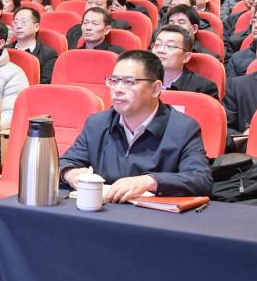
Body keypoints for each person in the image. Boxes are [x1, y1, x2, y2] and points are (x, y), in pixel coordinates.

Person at [60, 50, 212, 200]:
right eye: (114, 81)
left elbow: (200, 179)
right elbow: (65, 163)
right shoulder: (97, 124)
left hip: (151, 213)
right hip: (102, 209)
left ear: (155, 88)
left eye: (129, 82)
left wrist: (149, 181)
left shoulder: (183, 128)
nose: (117, 89)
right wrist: (70, 173)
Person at [151, 25, 219, 98]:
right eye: (157, 45)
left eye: (170, 46)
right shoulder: (143, 80)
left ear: (186, 57)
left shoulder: (203, 89)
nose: (160, 50)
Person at [10, 6, 57, 84]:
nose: (18, 26)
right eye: (15, 22)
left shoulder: (48, 54)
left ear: (36, 27)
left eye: (24, 22)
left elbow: (44, 84)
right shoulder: (4, 50)